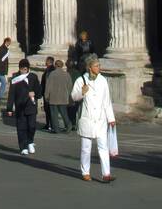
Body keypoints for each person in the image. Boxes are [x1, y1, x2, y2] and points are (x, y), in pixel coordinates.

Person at [70, 54, 116, 182]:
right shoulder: (81, 80)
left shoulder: (103, 80)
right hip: (87, 119)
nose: (99, 67)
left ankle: (106, 173)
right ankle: (85, 171)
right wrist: (82, 92)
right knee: (86, 148)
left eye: (99, 65)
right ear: (89, 67)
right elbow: (73, 97)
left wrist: (111, 118)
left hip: (101, 119)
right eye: (96, 66)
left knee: (103, 147)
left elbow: (107, 101)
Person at [6, 58, 41, 156]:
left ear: (28, 69)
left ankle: (30, 141)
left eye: (25, 69)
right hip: (20, 106)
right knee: (21, 128)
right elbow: (11, 94)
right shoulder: (15, 78)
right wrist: (9, 108)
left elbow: (39, 91)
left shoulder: (33, 77)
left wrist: (35, 93)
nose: (23, 71)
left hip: (31, 106)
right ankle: (23, 147)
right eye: (21, 69)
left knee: (32, 126)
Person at [45, 58, 73, 133]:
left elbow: (48, 86)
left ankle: (56, 129)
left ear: (55, 65)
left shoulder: (52, 74)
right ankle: (68, 125)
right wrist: (69, 95)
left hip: (53, 97)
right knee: (64, 113)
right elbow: (70, 86)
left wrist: (46, 95)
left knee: (54, 114)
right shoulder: (66, 74)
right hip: (63, 97)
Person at [39, 55, 56, 131]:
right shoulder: (51, 70)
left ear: (49, 62)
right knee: (49, 110)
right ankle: (49, 124)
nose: (45, 62)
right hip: (50, 92)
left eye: (46, 61)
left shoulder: (49, 71)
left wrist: (44, 92)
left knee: (49, 110)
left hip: (48, 93)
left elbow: (47, 82)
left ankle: (50, 125)